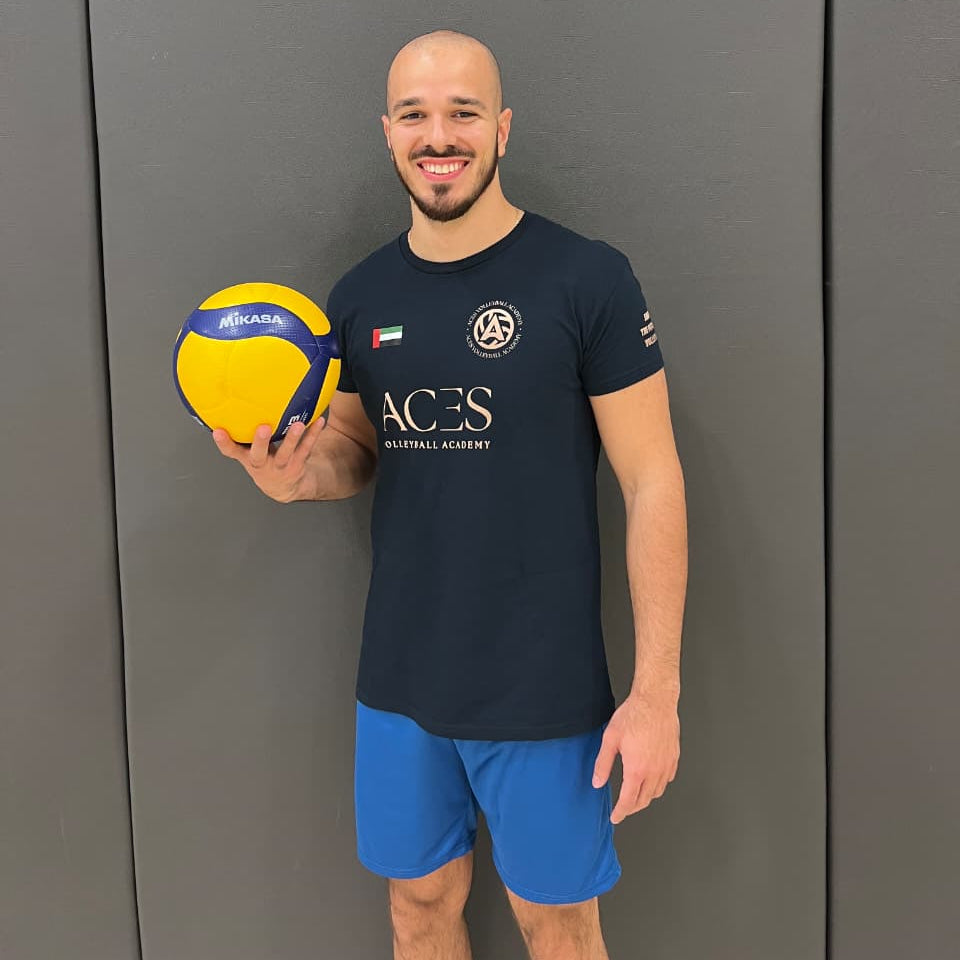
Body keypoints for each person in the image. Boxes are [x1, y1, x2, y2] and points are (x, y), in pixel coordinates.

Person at [214, 28, 687, 960]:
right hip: (401, 678)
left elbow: (653, 479)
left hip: (543, 684)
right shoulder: (357, 298)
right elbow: (355, 449)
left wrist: (657, 693)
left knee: (557, 924)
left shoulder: (585, 278)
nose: (439, 136)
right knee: (418, 907)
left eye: (463, 113)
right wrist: (292, 476)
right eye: (416, 115)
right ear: (387, 133)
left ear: (502, 129)